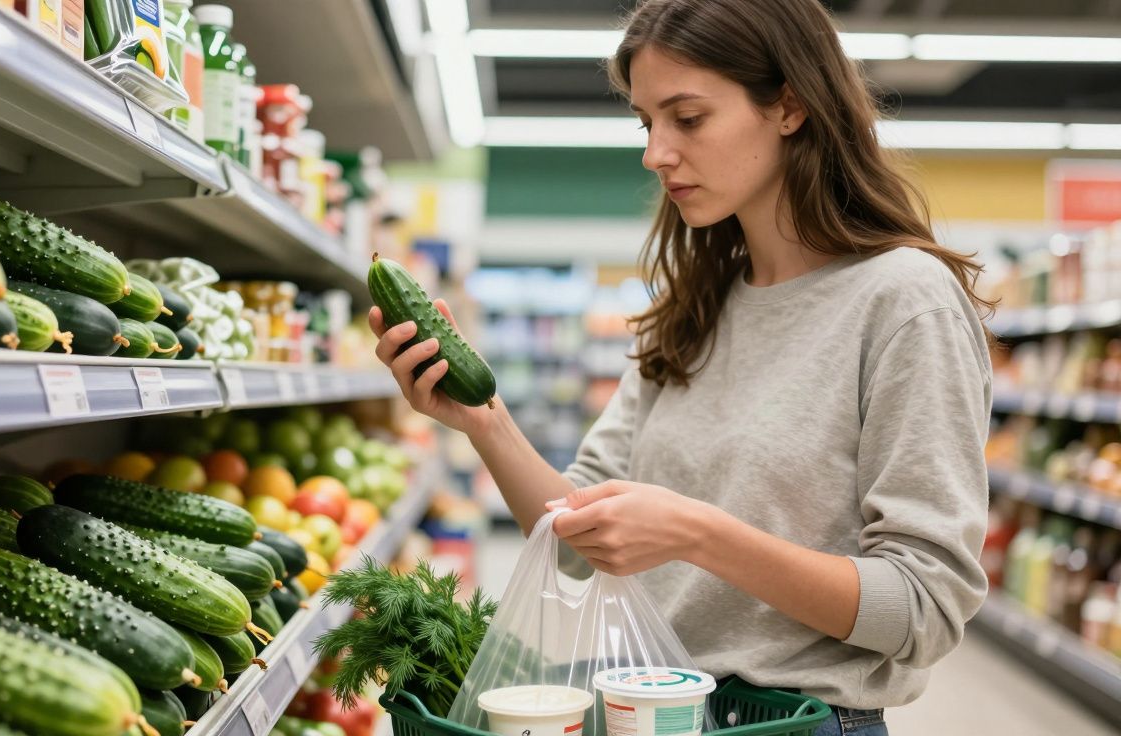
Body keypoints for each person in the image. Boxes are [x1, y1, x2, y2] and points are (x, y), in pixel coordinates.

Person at [368, 0, 992, 733]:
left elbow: (922, 607)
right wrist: (483, 422)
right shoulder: (695, 309)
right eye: (646, 122)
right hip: (654, 710)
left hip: (793, 721)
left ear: (789, 105)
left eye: (687, 118)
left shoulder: (904, 302)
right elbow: (577, 544)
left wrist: (698, 535)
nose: (654, 153)